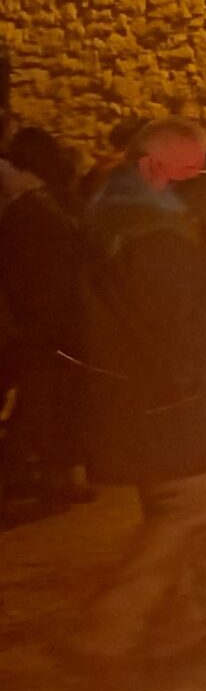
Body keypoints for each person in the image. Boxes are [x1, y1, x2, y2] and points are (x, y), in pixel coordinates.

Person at [70, 121, 206, 670]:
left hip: (149, 392)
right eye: (194, 170)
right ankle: (104, 629)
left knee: (171, 506)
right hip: (167, 393)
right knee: (188, 508)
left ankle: (175, 630)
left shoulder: (130, 215)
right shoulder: (149, 237)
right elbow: (187, 321)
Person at [0, 127, 91, 506]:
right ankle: (35, 476)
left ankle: (35, 474)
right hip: (46, 321)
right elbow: (46, 272)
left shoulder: (27, 207)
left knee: (40, 402)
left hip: (37, 320)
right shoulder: (36, 209)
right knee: (46, 402)